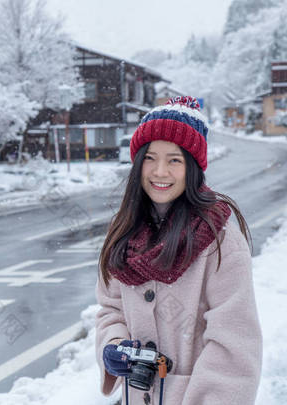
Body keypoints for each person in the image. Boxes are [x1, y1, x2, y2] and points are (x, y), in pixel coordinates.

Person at [95, 96, 262, 405]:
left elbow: (234, 345)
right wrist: (113, 344)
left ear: (192, 167)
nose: (160, 171)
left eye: (174, 160)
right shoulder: (123, 230)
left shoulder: (219, 237)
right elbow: (111, 309)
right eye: (150, 158)